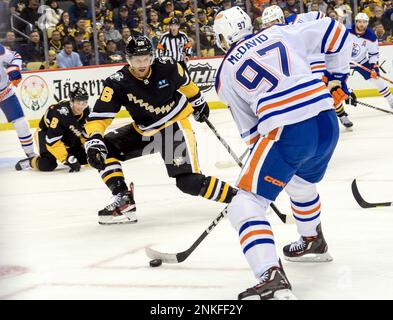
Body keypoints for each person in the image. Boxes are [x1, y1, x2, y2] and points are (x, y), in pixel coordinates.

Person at [213, 6, 351, 299]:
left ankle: (270, 276)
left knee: (245, 203)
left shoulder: (225, 71)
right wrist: (338, 77)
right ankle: (312, 238)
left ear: (223, 37)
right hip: (326, 121)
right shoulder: (280, 31)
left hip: (288, 128)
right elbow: (336, 31)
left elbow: (252, 132)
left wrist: (254, 177)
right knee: (299, 182)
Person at [84, 36, 237, 225]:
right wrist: (95, 140)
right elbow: (99, 117)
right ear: (128, 59)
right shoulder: (117, 83)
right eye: (136, 60)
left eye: (146, 58)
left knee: (188, 183)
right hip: (145, 131)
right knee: (103, 148)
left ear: (152, 56)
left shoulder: (168, 67)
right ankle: (124, 199)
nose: (142, 64)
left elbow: (187, 84)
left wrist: (198, 102)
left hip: (174, 126)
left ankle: (239, 199)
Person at [268, 5, 353, 128]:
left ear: (280, 18)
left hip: (319, 59)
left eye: (273, 22)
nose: (271, 25)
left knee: (330, 89)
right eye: (268, 24)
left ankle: (342, 114)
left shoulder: (298, 19)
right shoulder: (272, 36)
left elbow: (322, 18)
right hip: (303, 65)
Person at [15, 87, 89, 172]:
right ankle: (31, 161)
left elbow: (85, 136)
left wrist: (90, 149)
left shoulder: (87, 113)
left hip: (65, 135)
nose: (81, 106)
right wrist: (66, 158)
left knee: (85, 158)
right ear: (71, 101)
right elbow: (51, 140)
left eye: (84, 103)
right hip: (46, 134)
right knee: (48, 164)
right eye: (78, 102)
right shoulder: (60, 113)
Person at [349, 13, 393, 108]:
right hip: (344, 62)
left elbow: (373, 54)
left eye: (364, 22)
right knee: (336, 81)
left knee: (378, 80)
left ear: (367, 23)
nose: (361, 24)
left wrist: (374, 67)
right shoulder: (346, 32)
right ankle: (347, 94)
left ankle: (391, 101)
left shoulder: (371, 37)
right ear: (356, 22)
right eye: (359, 21)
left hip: (361, 61)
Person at [0, 44, 35, 160]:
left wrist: (14, 68)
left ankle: (31, 155)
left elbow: (15, 56)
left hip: (4, 93)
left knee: (21, 123)